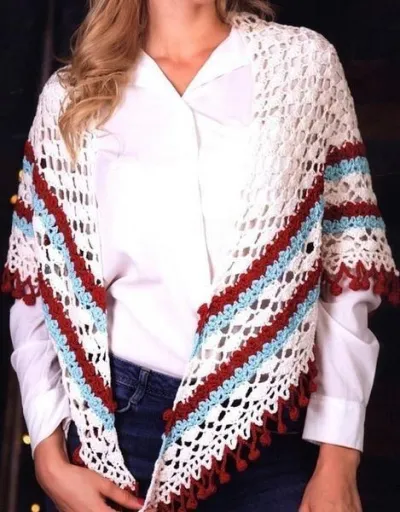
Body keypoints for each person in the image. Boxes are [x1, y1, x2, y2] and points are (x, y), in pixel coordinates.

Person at [3, 1, 399, 511]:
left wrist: (339, 458)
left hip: (272, 427)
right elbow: (38, 285)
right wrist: (49, 456)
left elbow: (345, 266)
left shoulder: (303, 66)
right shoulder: (71, 93)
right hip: (119, 434)